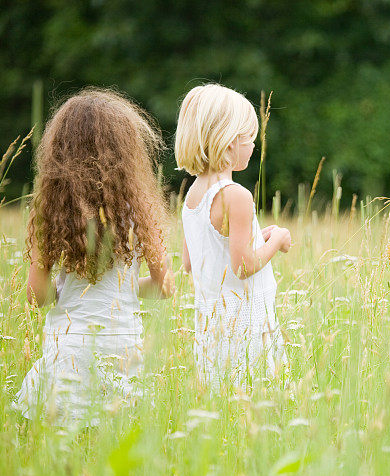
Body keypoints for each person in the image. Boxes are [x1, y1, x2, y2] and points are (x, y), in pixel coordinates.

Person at [15, 88, 174, 426]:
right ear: (127, 153)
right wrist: (126, 289)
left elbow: (35, 295)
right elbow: (164, 287)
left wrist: (70, 291)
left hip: (68, 349)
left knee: (62, 443)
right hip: (122, 349)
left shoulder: (52, 211)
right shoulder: (138, 210)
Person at [177, 84, 290, 387]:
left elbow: (191, 262)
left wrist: (257, 238)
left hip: (211, 329)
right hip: (246, 327)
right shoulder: (236, 195)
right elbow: (243, 266)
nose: (253, 146)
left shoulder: (193, 194)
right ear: (228, 142)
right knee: (256, 403)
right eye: (249, 139)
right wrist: (277, 240)